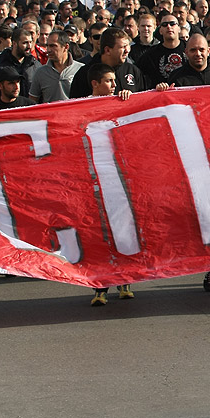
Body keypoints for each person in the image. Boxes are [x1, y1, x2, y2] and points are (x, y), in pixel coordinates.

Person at [86, 62, 136, 305]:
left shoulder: (120, 102)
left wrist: (127, 100)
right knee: (100, 235)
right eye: (109, 81)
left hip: (119, 180)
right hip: (93, 180)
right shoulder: (81, 106)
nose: (114, 85)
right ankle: (101, 287)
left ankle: (124, 280)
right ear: (95, 84)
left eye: (115, 81)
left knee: (123, 230)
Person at [29, 30, 82, 102]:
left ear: (66, 47)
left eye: (53, 46)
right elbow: (33, 100)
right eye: (47, 46)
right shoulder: (40, 72)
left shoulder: (80, 69)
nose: (48, 50)